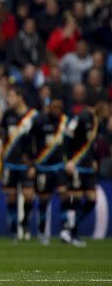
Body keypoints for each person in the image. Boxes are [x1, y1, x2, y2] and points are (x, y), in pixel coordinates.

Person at [0, 86, 38, 241]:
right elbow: (3, 136)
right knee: (11, 197)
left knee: (28, 196)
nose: (8, 99)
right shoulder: (7, 115)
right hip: (10, 162)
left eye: (11, 96)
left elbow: (38, 141)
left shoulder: (33, 117)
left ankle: (25, 224)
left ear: (20, 97)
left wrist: (34, 163)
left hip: (26, 163)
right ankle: (14, 230)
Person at [61, 99, 99, 247]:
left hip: (88, 165)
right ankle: (72, 233)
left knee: (91, 199)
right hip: (76, 164)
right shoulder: (80, 117)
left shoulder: (95, 121)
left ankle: (69, 229)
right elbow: (66, 138)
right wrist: (68, 160)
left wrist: (95, 159)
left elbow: (91, 143)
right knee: (75, 198)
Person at [31, 96, 68, 245]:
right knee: (44, 199)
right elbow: (31, 140)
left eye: (59, 107)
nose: (57, 110)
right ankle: (41, 231)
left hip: (59, 166)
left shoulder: (64, 122)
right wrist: (32, 162)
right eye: (54, 107)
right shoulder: (40, 121)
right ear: (49, 107)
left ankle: (66, 230)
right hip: (43, 167)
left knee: (64, 195)